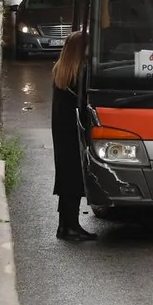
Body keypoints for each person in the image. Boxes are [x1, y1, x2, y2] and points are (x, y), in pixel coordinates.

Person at [51, 31, 97, 242]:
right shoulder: (81, 75)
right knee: (74, 179)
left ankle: (66, 225)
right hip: (74, 132)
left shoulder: (61, 70)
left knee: (66, 179)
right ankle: (71, 227)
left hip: (62, 131)